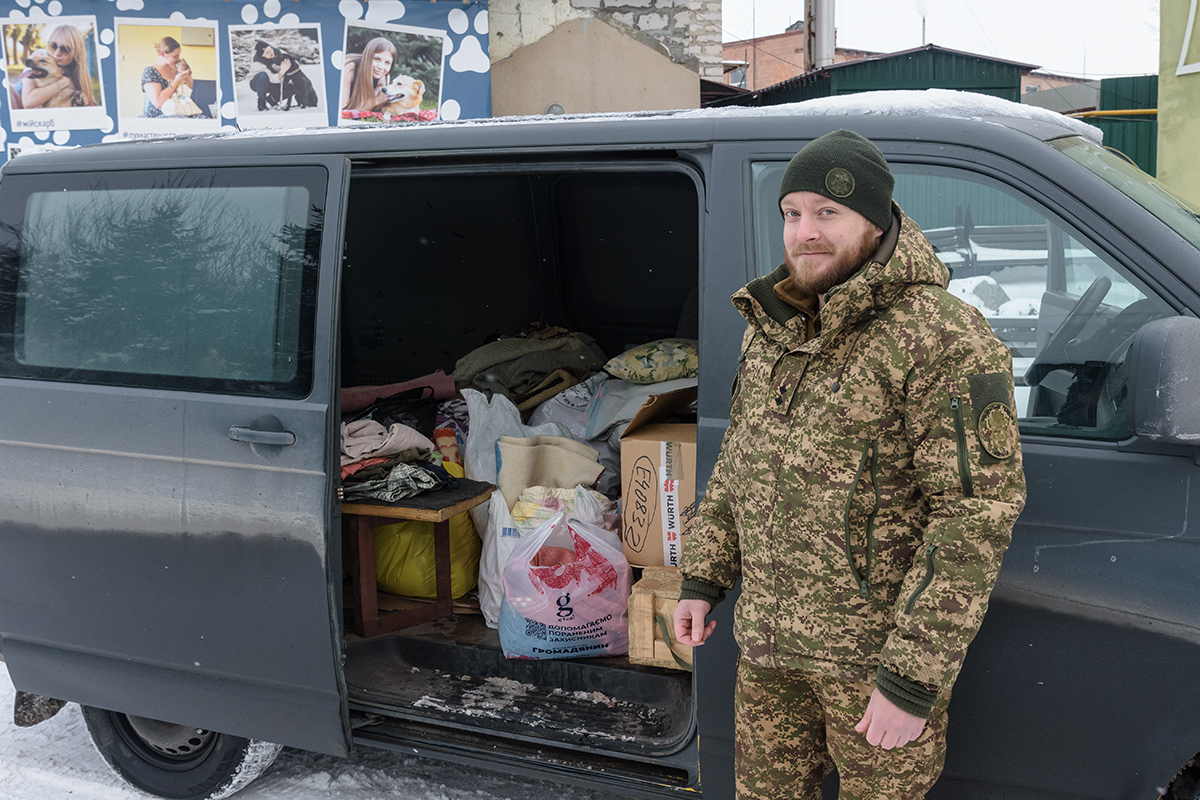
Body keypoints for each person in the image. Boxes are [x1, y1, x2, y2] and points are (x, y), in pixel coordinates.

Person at [673, 130, 1027, 800]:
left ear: (874, 219)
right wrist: (703, 576)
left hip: (871, 667)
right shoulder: (774, 326)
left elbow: (973, 515)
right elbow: (740, 463)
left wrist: (911, 679)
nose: (804, 232)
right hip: (770, 655)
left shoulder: (941, 336)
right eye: (791, 213)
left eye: (826, 213)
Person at [17, 24, 97, 109]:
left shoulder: (78, 71)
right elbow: (28, 102)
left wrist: (83, 99)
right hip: (17, 99)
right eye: (53, 46)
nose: (57, 53)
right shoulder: (40, 56)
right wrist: (64, 82)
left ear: (76, 53)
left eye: (65, 49)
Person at [339, 36, 397, 113]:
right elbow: (342, 111)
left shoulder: (384, 76)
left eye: (387, 63)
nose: (381, 67)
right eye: (376, 59)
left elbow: (376, 110)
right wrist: (376, 101)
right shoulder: (350, 68)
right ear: (368, 57)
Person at [141, 36, 193, 118]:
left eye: (179, 56)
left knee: (204, 120)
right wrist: (176, 81)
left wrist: (188, 76)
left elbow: (189, 91)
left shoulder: (177, 69)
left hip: (180, 110)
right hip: (160, 114)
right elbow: (158, 103)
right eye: (175, 56)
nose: (178, 59)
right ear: (163, 53)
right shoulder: (150, 71)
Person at [247, 40, 290, 112]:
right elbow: (272, 78)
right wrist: (282, 71)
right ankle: (261, 102)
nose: (271, 53)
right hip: (257, 82)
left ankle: (272, 98)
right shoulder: (258, 63)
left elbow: (292, 60)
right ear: (263, 55)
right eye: (267, 53)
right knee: (263, 75)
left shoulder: (278, 52)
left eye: (270, 49)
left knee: (293, 85)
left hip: (273, 80)